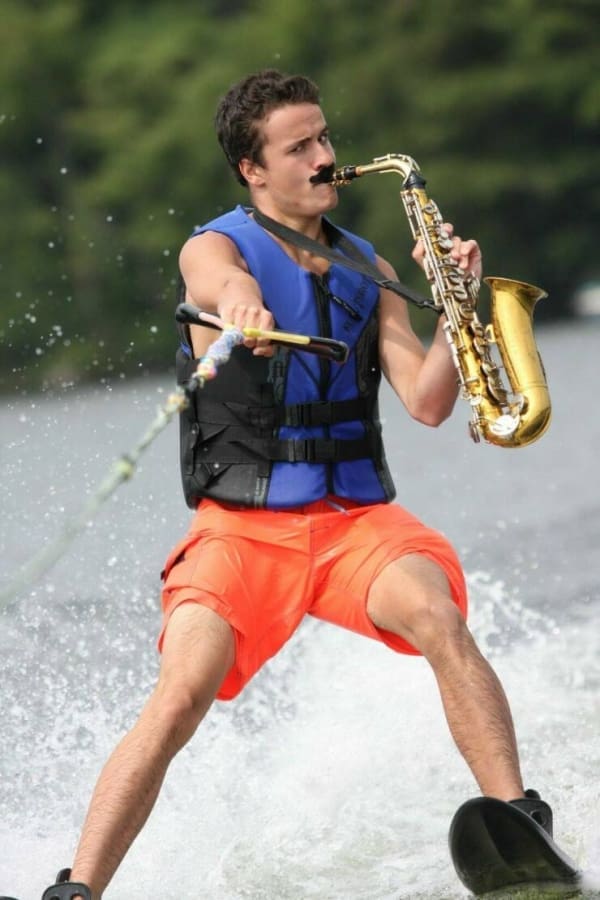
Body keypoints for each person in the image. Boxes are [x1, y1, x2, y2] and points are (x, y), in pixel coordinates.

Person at [42, 69, 553, 900]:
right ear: (253, 168)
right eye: (299, 147)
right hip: (241, 531)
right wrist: (242, 305)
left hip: (352, 524)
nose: (324, 157)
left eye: (324, 138)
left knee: (438, 616)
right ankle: (78, 889)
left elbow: (427, 404)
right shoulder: (215, 249)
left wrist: (455, 307)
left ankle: (520, 825)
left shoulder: (366, 265)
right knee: (181, 693)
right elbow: (220, 283)